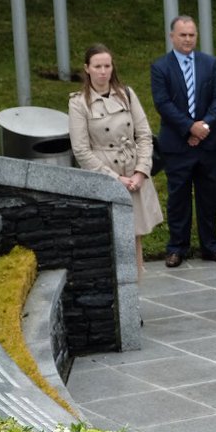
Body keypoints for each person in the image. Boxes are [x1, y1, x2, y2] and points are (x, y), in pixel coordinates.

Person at [69, 43, 162, 276]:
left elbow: (144, 135)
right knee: (109, 239)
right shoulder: (79, 102)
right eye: (97, 66)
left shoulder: (127, 94)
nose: (103, 71)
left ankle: (134, 300)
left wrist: (141, 171)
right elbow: (81, 150)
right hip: (104, 174)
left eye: (107, 66)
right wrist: (114, 178)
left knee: (134, 239)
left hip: (133, 173)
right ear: (87, 69)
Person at [150, 15, 216, 268]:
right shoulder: (160, 67)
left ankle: (211, 246)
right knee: (178, 198)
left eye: (191, 35)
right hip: (177, 145)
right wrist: (189, 129)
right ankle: (176, 247)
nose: (187, 39)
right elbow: (163, 103)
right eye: (182, 35)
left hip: (207, 143)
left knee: (209, 197)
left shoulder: (210, 63)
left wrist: (204, 126)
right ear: (172, 36)